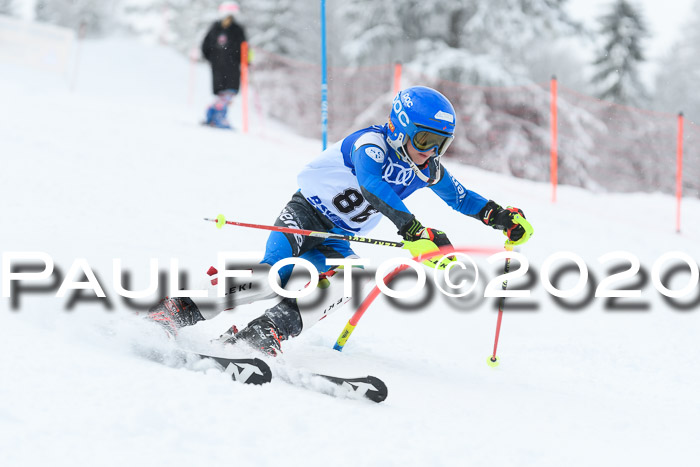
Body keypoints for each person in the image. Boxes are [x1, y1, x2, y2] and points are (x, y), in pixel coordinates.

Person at [148, 86, 534, 356]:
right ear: (400, 128)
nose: (430, 153)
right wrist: (414, 231)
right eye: (424, 141)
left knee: (346, 282)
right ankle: (177, 308)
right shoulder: (370, 144)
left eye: (440, 145)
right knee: (277, 273)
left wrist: (498, 217)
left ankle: (261, 334)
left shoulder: (426, 168)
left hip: (338, 238)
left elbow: (460, 197)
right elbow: (371, 186)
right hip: (305, 214)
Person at [201, 1, 246, 129]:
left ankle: (212, 115)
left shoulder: (219, 28)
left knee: (224, 93)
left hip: (221, 67)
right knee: (227, 93)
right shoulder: (233, 29)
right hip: (228, 68)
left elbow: (244, 49)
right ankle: (218, 117)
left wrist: (214, 59)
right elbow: (244, 48)